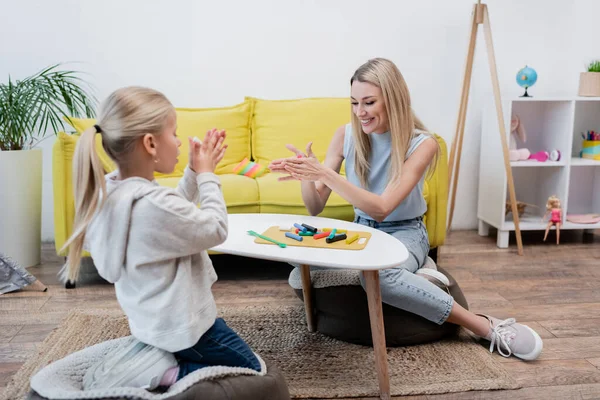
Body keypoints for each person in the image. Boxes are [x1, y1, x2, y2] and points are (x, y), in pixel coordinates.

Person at [269, 58, 543, 361]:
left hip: (405, 231)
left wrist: (326, 175)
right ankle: (420, 273)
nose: (360, 112)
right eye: (355, 103)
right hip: (361, 230)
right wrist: (306, 177)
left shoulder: (423, 144)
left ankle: (482, 325)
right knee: (300, 270)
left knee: (380, 279)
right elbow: (315, 207)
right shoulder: (344, 135)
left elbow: (383, 208)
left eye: (369, 102)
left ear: (393, 99)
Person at [60, 86, 261, 391]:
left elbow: (169, 225)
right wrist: (208, 177)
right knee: (252, 370)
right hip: (187, 330)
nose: (179, 141)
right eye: (174, 133)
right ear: (151, 143)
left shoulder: (113, 192)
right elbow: (215, 228)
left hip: (153, 323)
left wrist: (194, 172)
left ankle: (154, 354)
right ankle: (165, 373)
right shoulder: (151, 204)